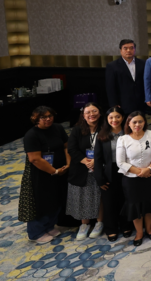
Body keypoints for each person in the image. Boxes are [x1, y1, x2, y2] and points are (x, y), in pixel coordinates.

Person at [19, 107, 69, 244]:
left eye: (50, 116)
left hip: (60, 171)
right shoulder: (31, 135)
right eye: (43, 117)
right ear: (36, 119)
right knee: (42, 203)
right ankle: (36, 233)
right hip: (41, 174)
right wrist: (54, 171)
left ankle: (49, 226)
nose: (48, 119)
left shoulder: (58, 128)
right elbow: (34, 159)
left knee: (56, 199)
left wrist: (68, 164)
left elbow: (66, 146)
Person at [116, 111, 151, 247]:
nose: (137, 124)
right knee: (135, 207)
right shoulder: (123, 139)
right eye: (134, 122)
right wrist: (140, 172)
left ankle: (149, 229)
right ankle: (139, 233)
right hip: (131, 179)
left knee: (149, 204)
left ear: (144, 122)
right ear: (128, 124)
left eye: (140, 121)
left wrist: (149, 169)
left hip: (150, 176)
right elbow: (120, 162)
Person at [67, 103, 105, 241]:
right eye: (88, 112)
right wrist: (85, 161)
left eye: (94, 111)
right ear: (83, 115)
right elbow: (72, 148)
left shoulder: (105, 128)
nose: (91, 114)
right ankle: (84, 224)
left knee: (99, 196)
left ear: (99, 112)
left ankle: (99, 223)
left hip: (100, 167)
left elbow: (110, 147)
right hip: (81, 168)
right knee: (83, 196)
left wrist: (96, 160)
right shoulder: (77, 129)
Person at [94, 106, 131, 241]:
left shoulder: (129, 133)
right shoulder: (102, 135)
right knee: (109, 202)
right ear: (107, 119)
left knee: (125, 199)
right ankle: (111, 228)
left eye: (117, 117)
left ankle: (126, 225)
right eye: (111, 117)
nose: (114, 120)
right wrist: (99, 178)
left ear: (123, 118)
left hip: (127, 170)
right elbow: (97, 159)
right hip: (109, 172)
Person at [106, 39, 146, 116]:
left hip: (141, 102)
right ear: (120, 50)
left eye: (131, 48)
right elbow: (110, 86)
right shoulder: (112, 66)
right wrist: (114, 104)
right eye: (125, 48)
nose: (128, 50)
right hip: (123, 104)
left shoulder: (143, 63)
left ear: (135, 49)